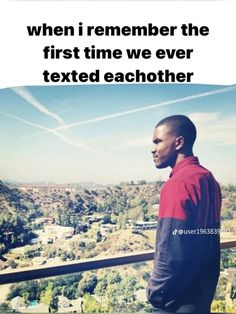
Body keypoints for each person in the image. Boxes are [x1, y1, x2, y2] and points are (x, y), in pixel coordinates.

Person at [146, 115, 221, 313]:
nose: (152, 149)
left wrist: (156, 292)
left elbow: (170, 249)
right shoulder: (209, 180)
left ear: (178, 142)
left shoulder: (178, 184)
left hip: (175, 302)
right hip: (200, 298)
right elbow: (211, 242)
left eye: (158, 141)